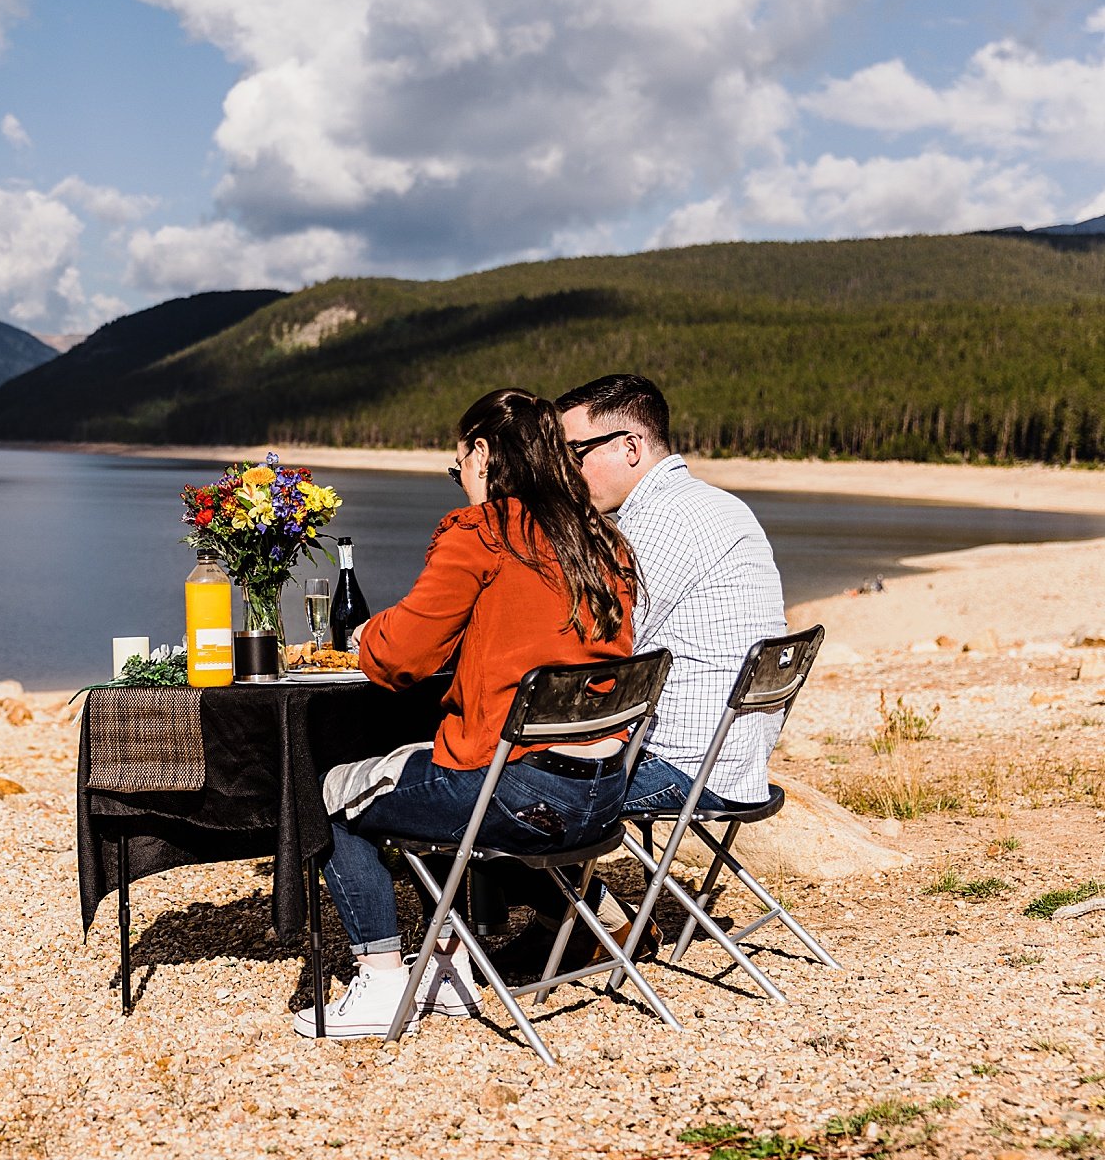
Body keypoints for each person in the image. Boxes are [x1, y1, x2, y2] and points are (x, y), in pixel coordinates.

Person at [296, 388, 639, 1039]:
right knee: (437, 781)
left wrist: (367, 634)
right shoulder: (602, 541)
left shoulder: (481, 534)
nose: (460, 482)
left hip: (516, 794)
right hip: (599, 796)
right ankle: (449, 967)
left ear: (482, 453)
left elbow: (397, 658)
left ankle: (381, 980)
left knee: (330, 791)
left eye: (458, 467)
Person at [554, 373, 787, 814]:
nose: (567, 471)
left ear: (630, 447)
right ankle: (565, 887)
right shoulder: (719, 504)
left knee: (516, 790)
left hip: (681, 768)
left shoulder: (661, 520)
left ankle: (563, 888)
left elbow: (593, 645)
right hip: (736, 765)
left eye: (575, 452)